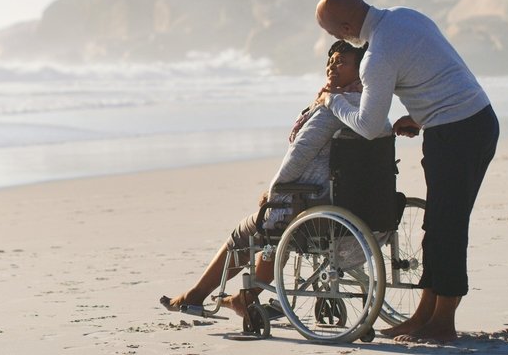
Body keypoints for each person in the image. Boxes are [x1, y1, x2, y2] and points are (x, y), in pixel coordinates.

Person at [315, 0, 500, 343]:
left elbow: (368, 127)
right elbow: (436, 70)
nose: (336, 39)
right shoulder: (405, 15)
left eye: (334, 32)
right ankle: (423, 316)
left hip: (456, 132)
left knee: (448, 224)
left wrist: (333, 101)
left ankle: (443, 323)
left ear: (348, 23)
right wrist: (417, 115)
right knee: (438, 222)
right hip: (475, 120)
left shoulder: (377, 55)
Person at [159, 40, 391, 322]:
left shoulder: (331, 108)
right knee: (272, 231)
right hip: (364, 208)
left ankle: (196, 295)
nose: (332, 66)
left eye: (341, 62)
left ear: (361, 69)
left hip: (315, 203)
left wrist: (273, 191)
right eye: (330, 61)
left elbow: (299, 155)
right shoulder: (374, 111)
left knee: (249, 232)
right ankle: (244, 299)